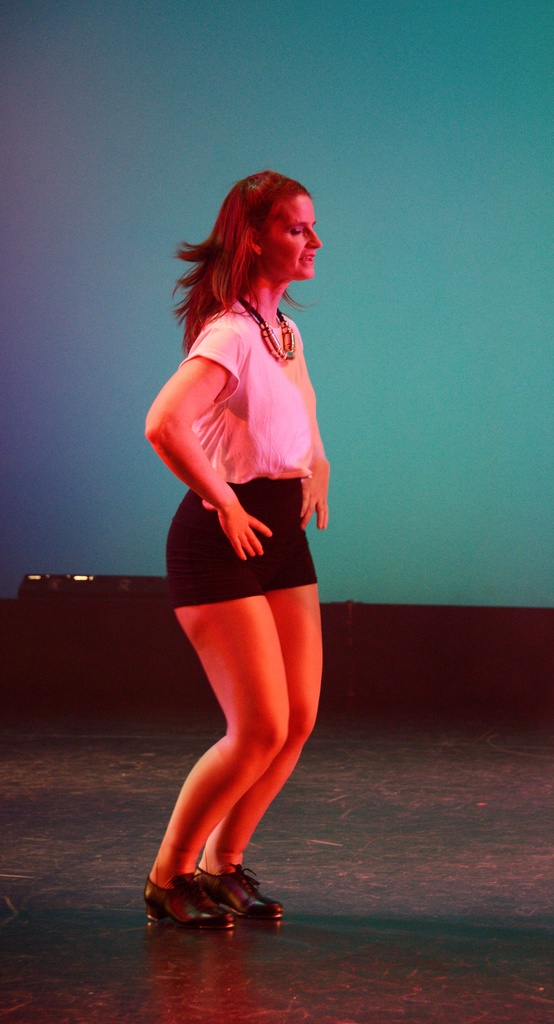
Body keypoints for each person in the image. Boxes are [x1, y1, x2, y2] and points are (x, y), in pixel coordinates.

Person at [143, 170, 329, 928]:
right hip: (221, 542)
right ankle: (168, 877)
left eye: (312, 227)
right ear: (254, 239)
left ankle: (225, 865)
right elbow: (164, 423)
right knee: (257, 728)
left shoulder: (282, 330)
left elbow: (299, 409)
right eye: (297, 229)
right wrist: (223, 500)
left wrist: (317, 463)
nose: (315, 242)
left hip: (280, 535)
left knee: (297, 720)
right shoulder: (230, 333)